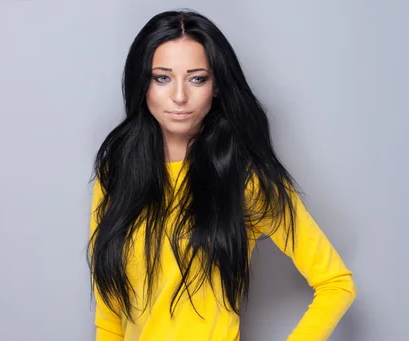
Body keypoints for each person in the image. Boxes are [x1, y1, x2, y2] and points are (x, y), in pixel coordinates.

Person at [87, 9, 356, 341]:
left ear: (216, 86)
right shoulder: (117, 171)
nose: (180, 95)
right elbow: (109, 314)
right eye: (163, 77)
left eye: (197, 78)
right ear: (143, 84)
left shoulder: (243, 177)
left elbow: (336, 283)